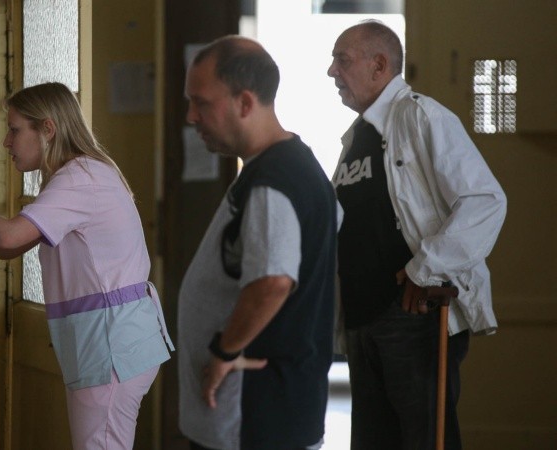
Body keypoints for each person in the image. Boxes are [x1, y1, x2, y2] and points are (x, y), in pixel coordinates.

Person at [0, 82, 174, 450]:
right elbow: (9, 247)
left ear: (48, 129)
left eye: (15, 129)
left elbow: (7, 237)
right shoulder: (79, 175)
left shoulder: (80, 179)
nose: (7, 141)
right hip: (109, 344)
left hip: (112, 347)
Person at [327, 21, 507, 450]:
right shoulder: (357, 136)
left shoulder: (421, 116)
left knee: (425, 439)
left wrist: (424, 270)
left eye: (342, 60)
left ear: (380, 65)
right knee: (374, 441)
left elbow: (485, 200)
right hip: (363, 317)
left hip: (413, 317)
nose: (331, 72)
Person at [177, 36, 338, 450]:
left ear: (244, 103)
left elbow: (273, 282)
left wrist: (224, 351)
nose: (192, 116)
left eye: (202, 103)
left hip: (256, 417)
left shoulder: (275, 182)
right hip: (264, 414)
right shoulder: (293, 165)